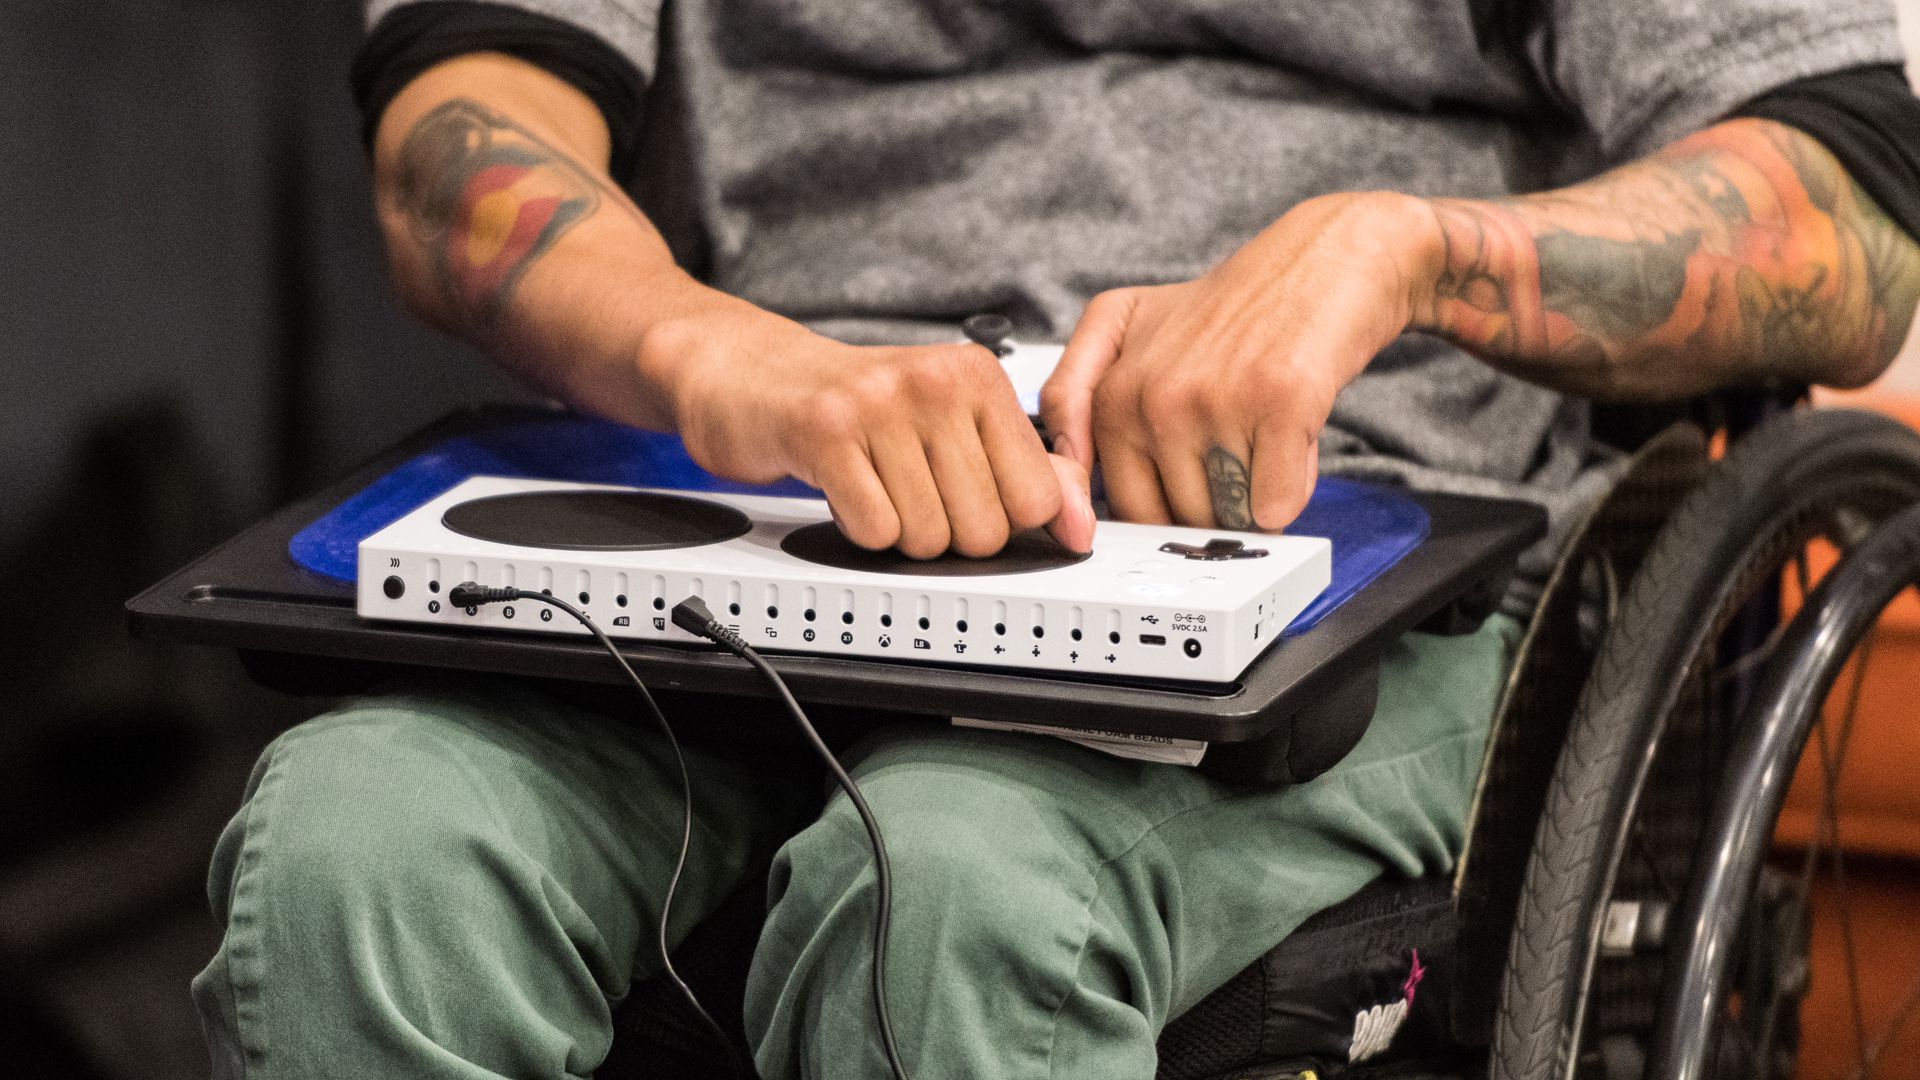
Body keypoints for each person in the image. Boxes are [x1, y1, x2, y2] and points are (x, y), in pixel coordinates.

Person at [194, 0, 1920, 1077]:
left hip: (1355, 542)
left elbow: (1856, 216)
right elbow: (456, 139)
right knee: (365, 854)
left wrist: (1413, 254)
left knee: (962, 891)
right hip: (756, 506)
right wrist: (702, 348)